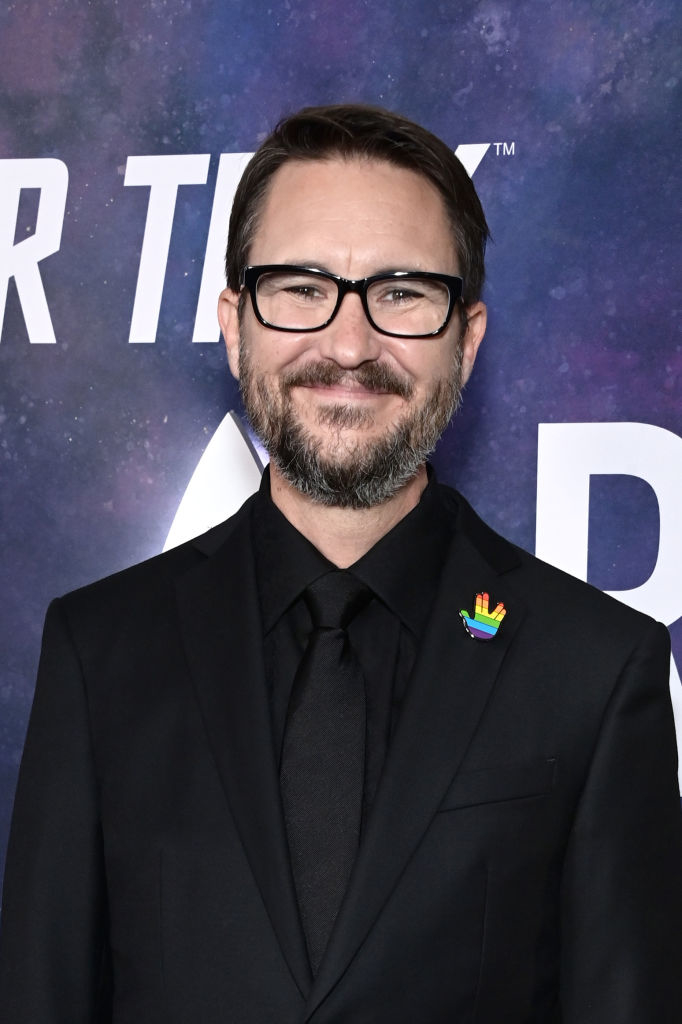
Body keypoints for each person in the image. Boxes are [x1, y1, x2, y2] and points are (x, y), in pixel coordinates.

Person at [0, 103, 680, 1023]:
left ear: (466, 340)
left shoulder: (595, 668)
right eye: (301, 286)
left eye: (402, 291)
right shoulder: (100, 650)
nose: (350, 345)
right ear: (235, 326)